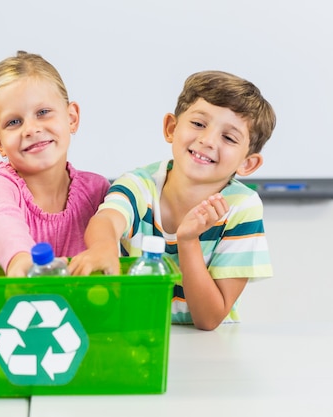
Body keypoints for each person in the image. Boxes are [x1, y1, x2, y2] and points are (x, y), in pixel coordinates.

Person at [69, 70, 276, 331]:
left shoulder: (241, 207)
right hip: (136, 334)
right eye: (199, 124)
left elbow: (208, 319)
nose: (207, 140)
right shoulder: (138, 184)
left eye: (229, 137)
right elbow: (108, 220)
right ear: (171, 128)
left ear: (248, 163)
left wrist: (188, 240)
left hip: (209, 349)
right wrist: (102, 247)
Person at [0, 51, 110, 276]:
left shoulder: (97, 191)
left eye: (43, 112)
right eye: (14, 122)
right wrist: (20, 259)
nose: (31, 129)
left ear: (71, 118)